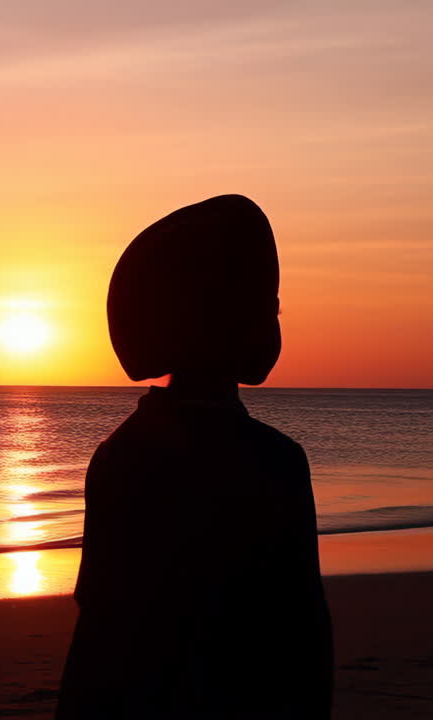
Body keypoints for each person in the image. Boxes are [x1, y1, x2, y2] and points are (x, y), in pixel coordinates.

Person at [56, 195, 333, 719]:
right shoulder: (275, 462)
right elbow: (302, 629)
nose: (276, 323)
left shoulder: (121, 454)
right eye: (269, 308)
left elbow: (99, 625)